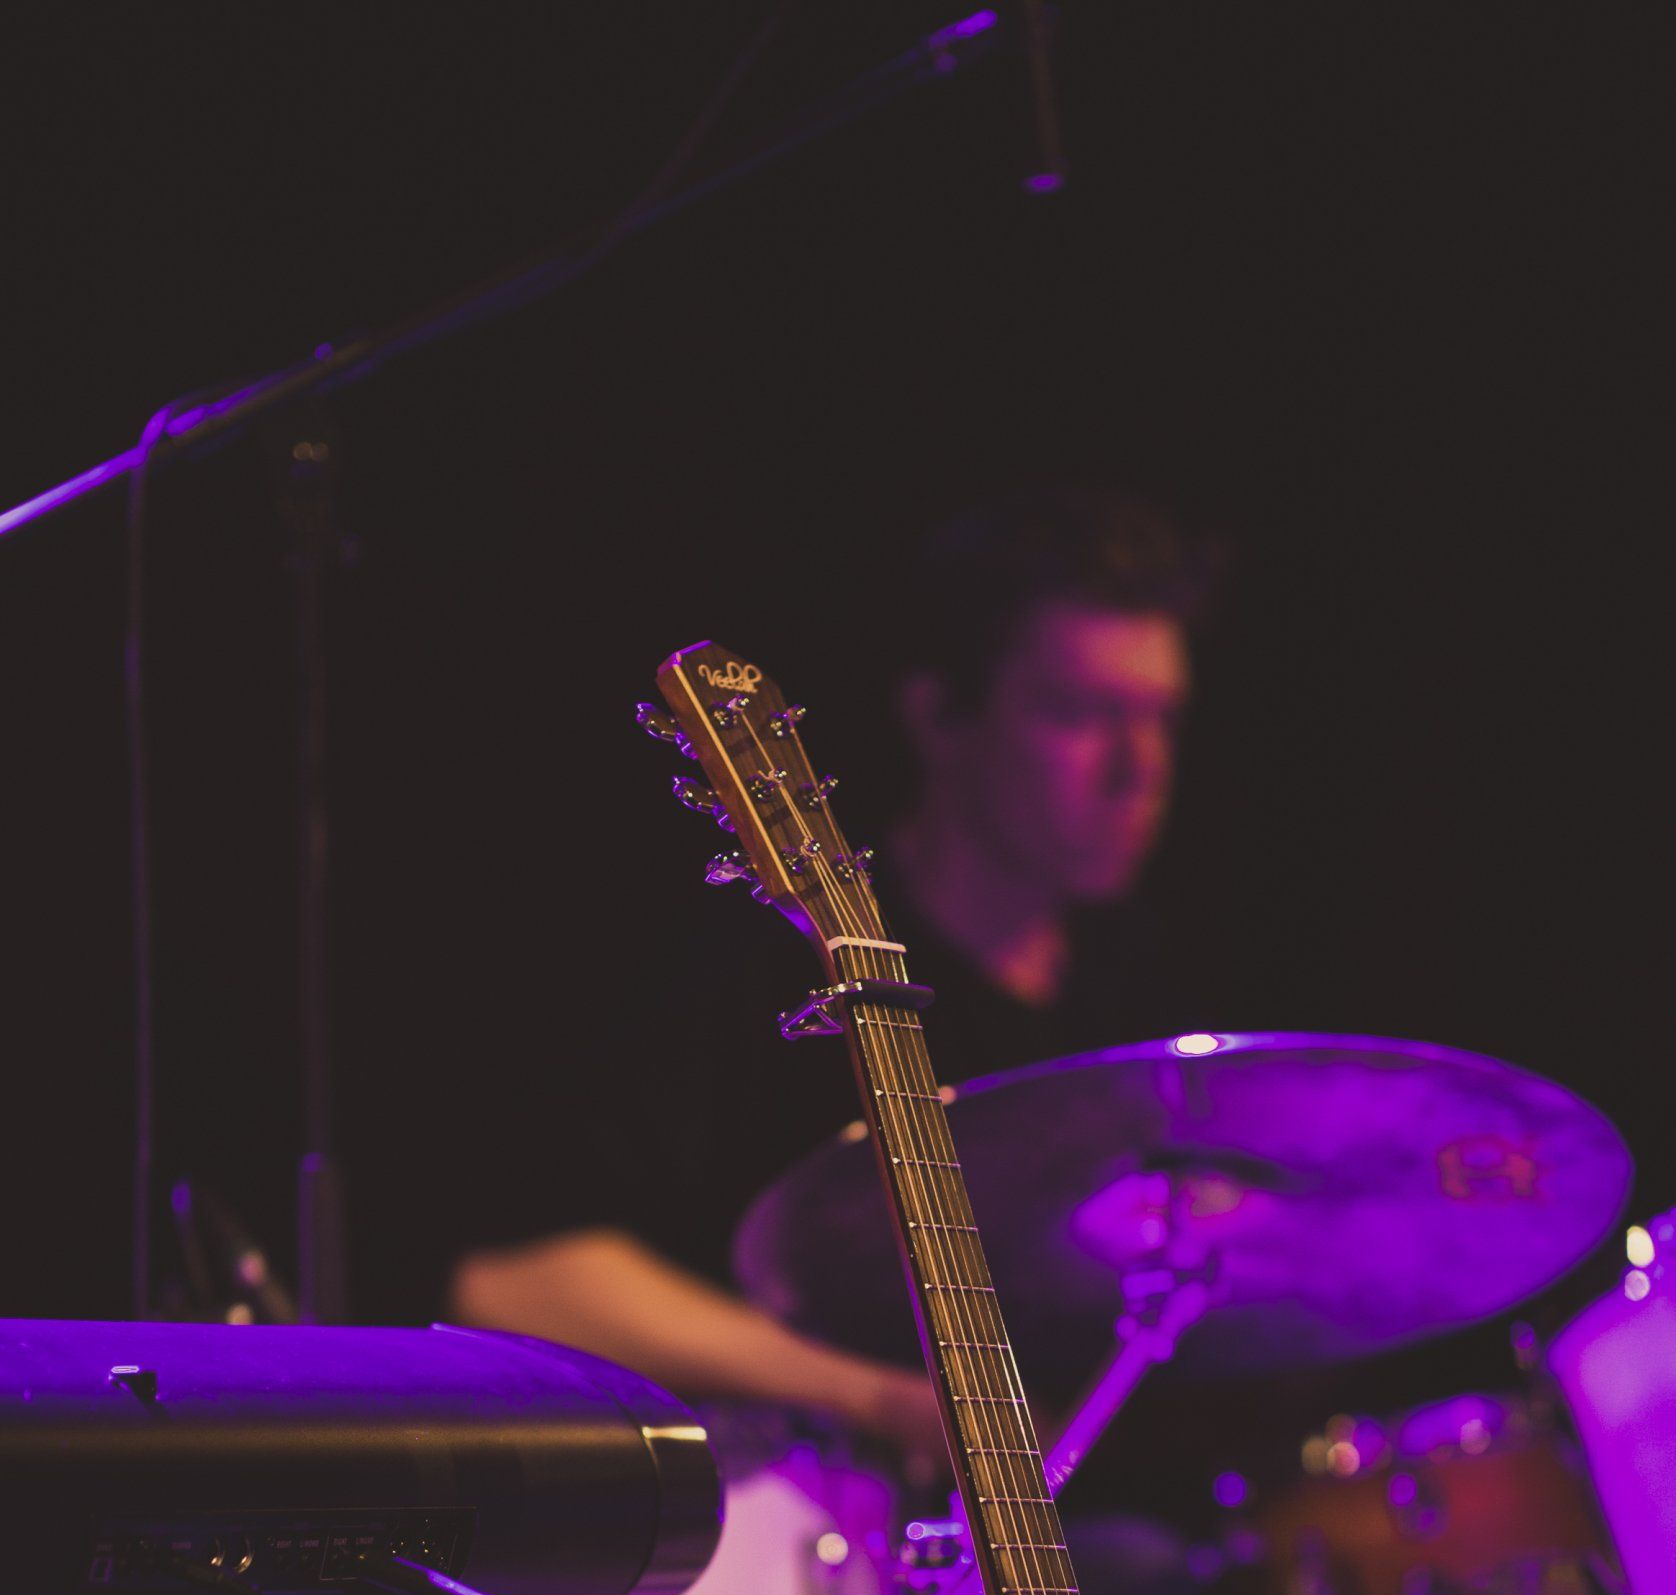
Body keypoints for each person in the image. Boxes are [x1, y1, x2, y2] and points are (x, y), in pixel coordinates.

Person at [444, 486, 1217, 1462]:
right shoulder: (774, 956)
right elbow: (514, 1280)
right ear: (940, 717)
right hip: (797, 1542)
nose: (1137, 768)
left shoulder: (1144, 1001)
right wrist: (872, 1397)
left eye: (1162, 721)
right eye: (1078, 715)